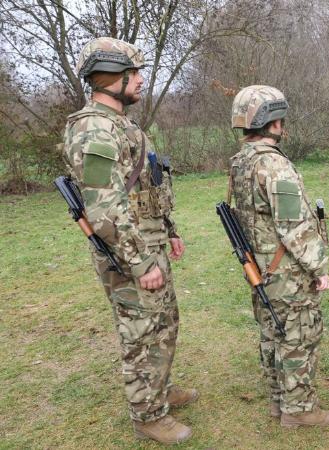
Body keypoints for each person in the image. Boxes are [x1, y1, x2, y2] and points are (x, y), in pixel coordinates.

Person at [62, 37, 195, 444]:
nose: (140, 80)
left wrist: (168, 230)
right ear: (109, 77)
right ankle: (148, 415)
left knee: (164, 322)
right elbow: (104, 207)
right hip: (127, 251)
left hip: (149, 240)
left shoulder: (123, 125)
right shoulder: (93, 128)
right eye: (132, 73)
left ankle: (159, 387)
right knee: (140, 331)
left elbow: (146, 186)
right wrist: (140, 262)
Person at [228, 85, 329, 427]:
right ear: (272, 122)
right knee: (298, 336)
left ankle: (278, 401)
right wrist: (319, 266)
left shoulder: (242, 161)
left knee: (273, 332)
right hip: (286, 271)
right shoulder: (273, 165)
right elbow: (294, 226)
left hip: (261, 268)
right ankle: (299, 411)